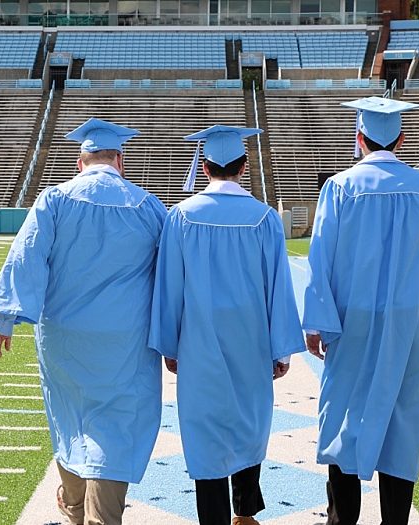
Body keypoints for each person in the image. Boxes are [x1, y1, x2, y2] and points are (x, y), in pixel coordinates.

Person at [302, 97, 419, 525]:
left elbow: (321, 257)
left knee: (344, 410)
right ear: (402, 138)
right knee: (403, 416)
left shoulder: (340, 187)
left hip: (351, 318)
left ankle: (342, 518)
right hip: (409, 318)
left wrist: (316, 320)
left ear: (359, 139)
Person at [0, 117, 167, 525]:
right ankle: (104, 517)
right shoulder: (147, 204)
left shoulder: (55, 199)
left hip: (64, 332)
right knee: (117, 424)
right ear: (120, 159)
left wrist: (5, 317)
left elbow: (26, 257)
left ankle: (72, 505)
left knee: (68, 413)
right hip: (127, 335)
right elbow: (170, 273)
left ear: (79, 160)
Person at [148, 125, 306, 525]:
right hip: (251, 342)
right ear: (244, 166)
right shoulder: (265, 219)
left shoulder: (181, 217)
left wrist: (170, 345)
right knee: (249, 421)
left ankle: (214, 517)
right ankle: (247, 511)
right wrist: (281, 347)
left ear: (204, 168)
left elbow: (170, 288)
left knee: (205, 429)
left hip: (199, 344)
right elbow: (278, 287)